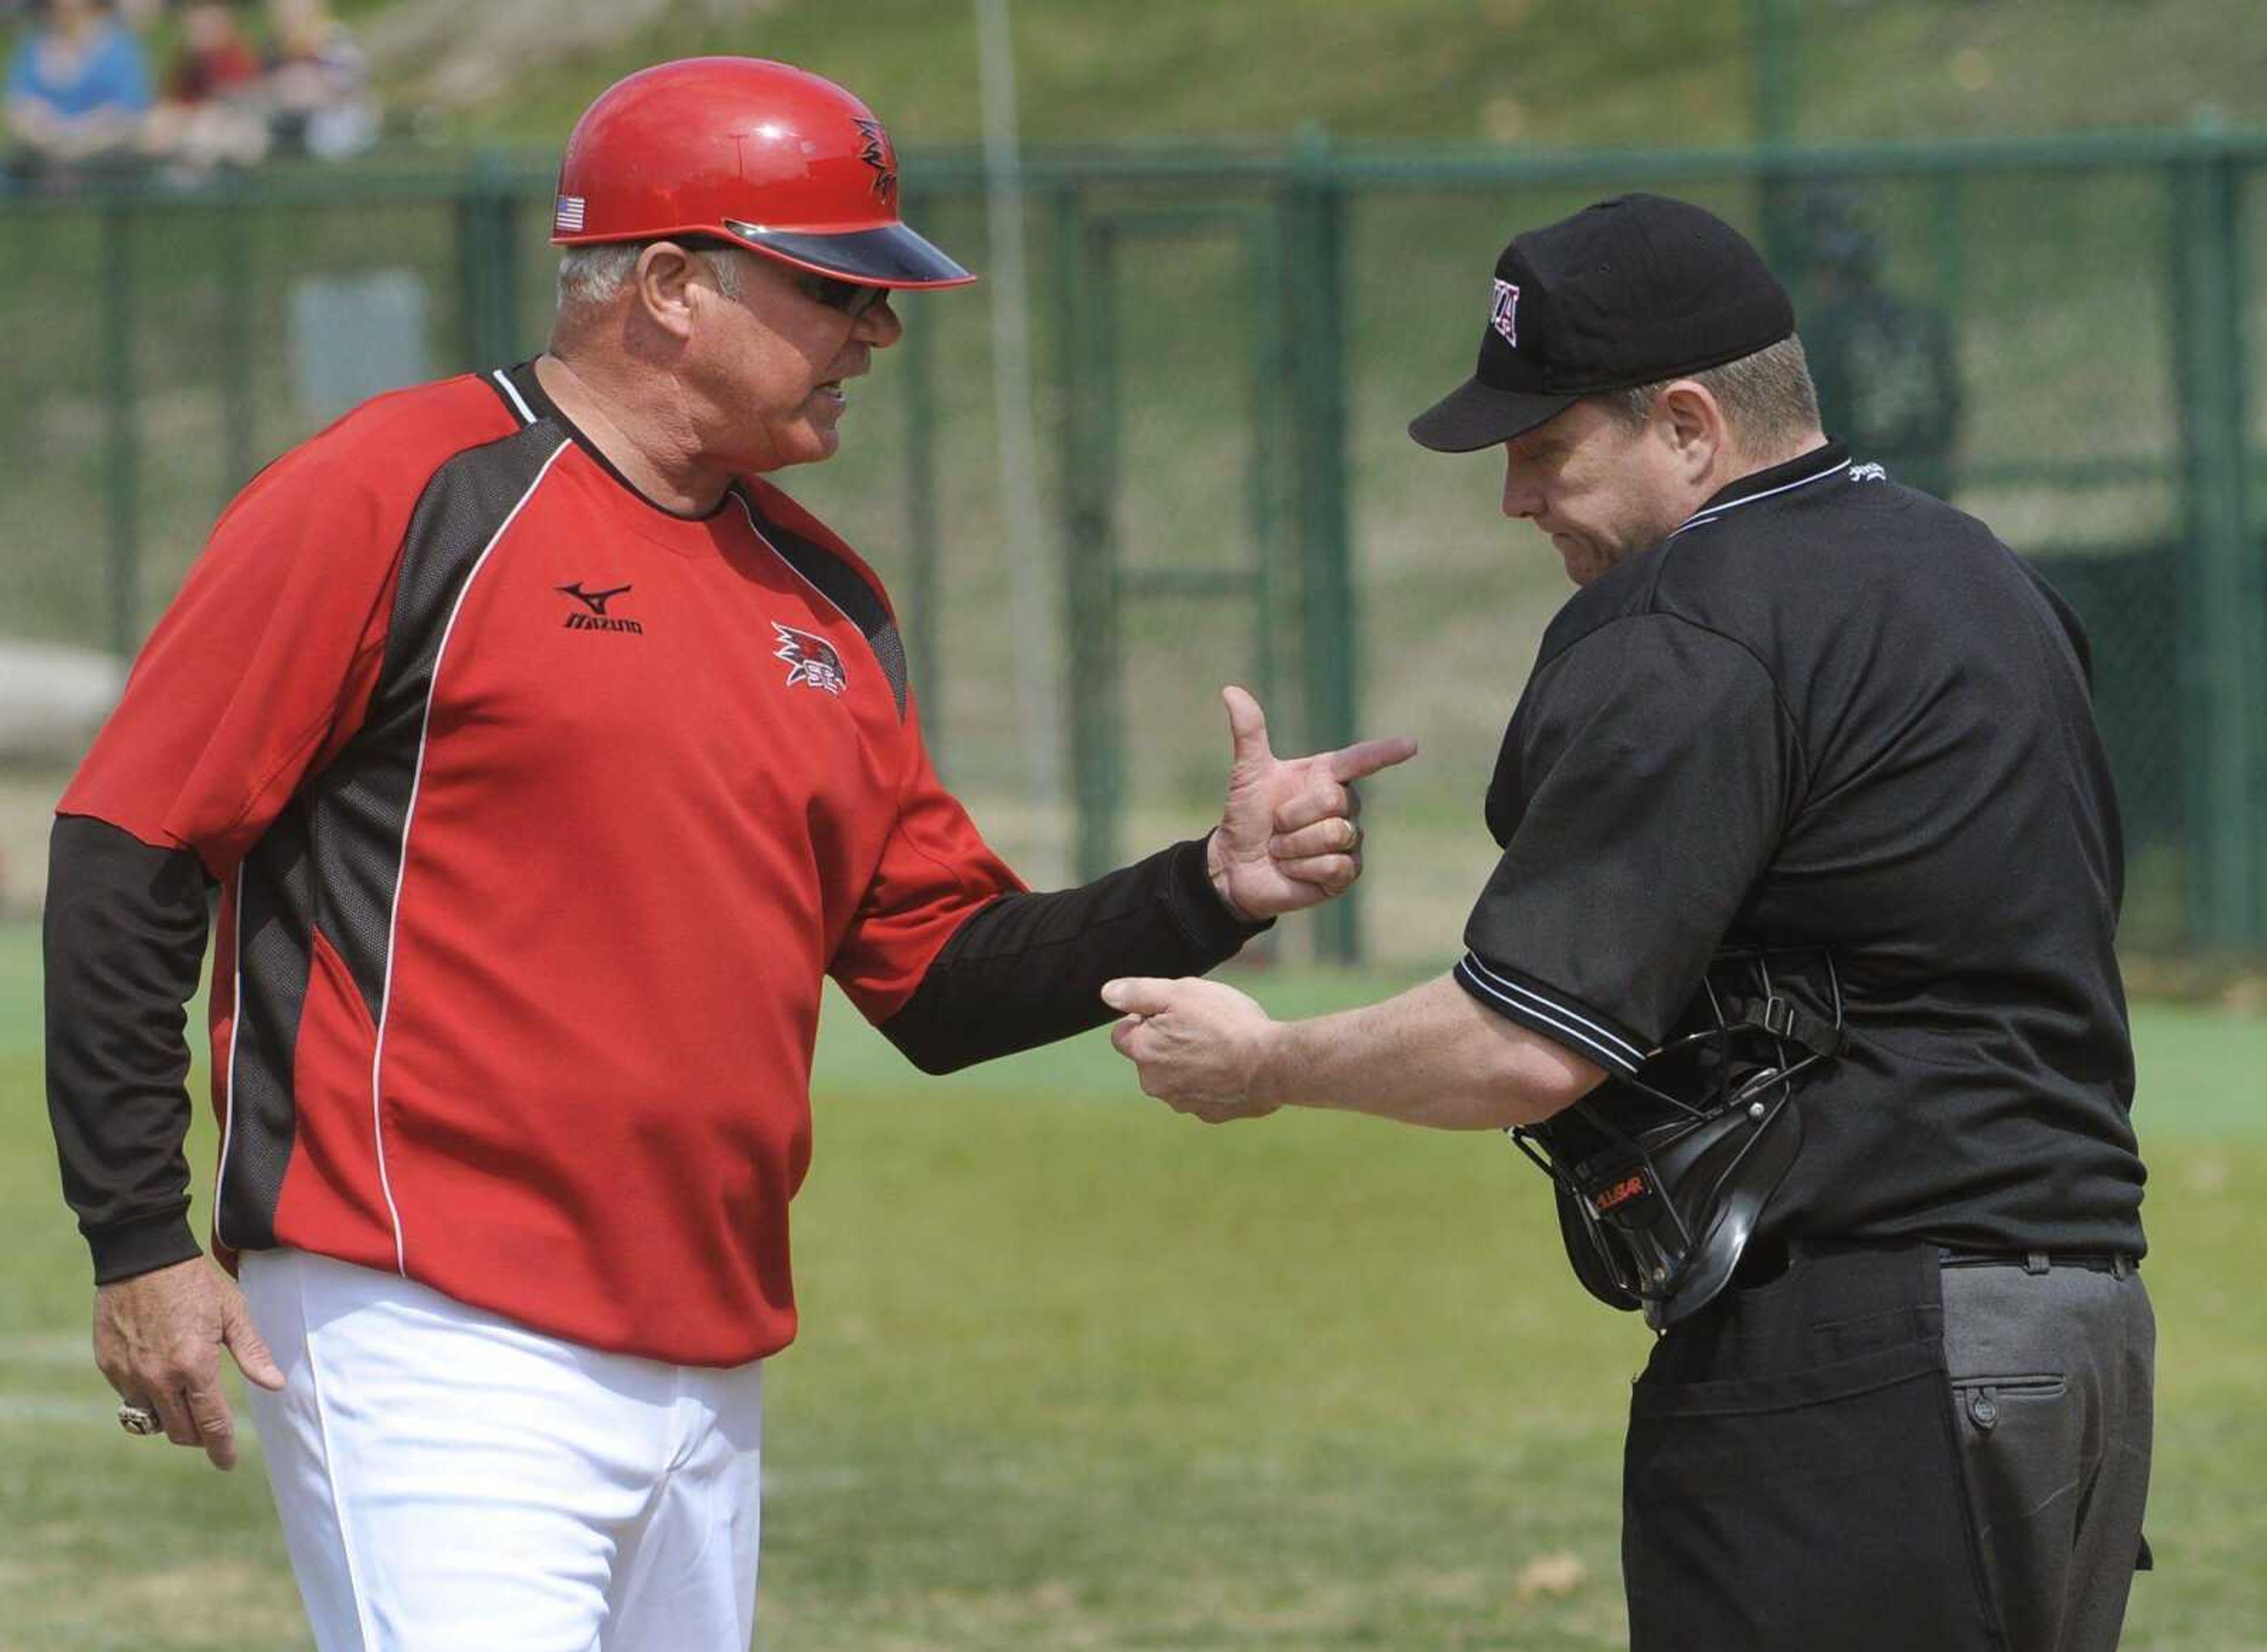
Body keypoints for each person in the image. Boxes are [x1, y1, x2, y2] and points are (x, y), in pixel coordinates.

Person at [44, 57, 1413, 1651]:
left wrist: (1214, 885)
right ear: (676, 285)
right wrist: (137, 1232)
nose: (879, 332)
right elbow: (130, 845)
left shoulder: (825, 598)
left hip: (708, 1348)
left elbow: (943, 980)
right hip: (419, 1315)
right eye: (839, 287)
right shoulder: (398, 492)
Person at [1105, 194, 2152, 1652]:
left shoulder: (1694, 618)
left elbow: (1523, 1042)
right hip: (2071, 1336)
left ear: (1683, 425)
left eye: (1544, 447)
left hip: (1863, 1352)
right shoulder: (1981, 575)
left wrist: (1265, 1059)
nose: (1515, 496)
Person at [1793, 185, 1964, 498]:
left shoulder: (1823, 329)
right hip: (1931, 485)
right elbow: (1951, 406)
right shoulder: (1923, 319)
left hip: (1859, 486)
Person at [4, 0, 152, 181]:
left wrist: (80, 140)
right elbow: (18, 103)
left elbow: (129, 111)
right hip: (38, 160)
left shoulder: (121, 49)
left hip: (105, 166)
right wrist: (46, 132)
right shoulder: (34, 45)